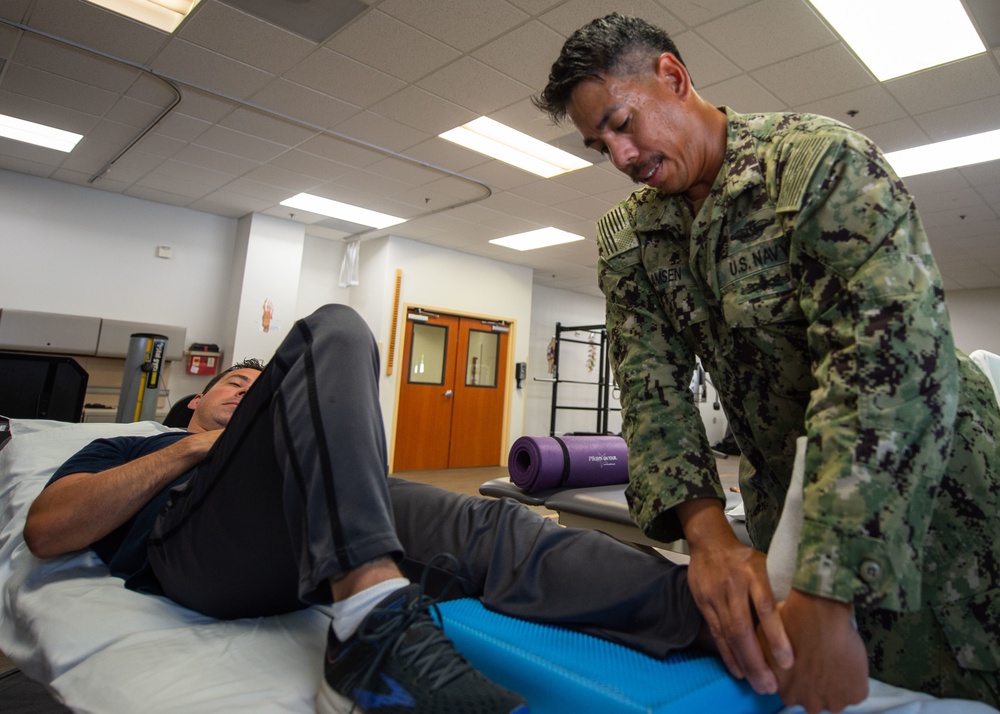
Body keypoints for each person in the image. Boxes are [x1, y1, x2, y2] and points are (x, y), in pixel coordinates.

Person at [534, 13, 1000, 714]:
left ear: (673, 77)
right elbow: (651, 392)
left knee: (969, 668)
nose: (622, 155)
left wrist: (829, 585)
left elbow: (887, 368)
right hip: (787, 497)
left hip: (933, 487)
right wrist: (709, 535)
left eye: (624, 122)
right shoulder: (631, 238)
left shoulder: (818, 163)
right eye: (601, 144)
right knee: (824, 686)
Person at [24, 303, 706, 714]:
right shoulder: (135, 444)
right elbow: (48, 529)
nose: (250, 391)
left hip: (314, 521)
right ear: (193, 403)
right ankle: (371, 628)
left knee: (492, 527)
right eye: (237, 384)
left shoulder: (294, 441)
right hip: (201, 546)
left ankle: (715, 610)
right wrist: (195, 452)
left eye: (264, 391)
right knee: (337, 327)